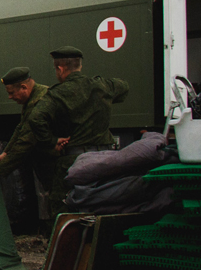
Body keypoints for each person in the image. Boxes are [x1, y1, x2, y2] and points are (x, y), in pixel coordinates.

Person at [28, 46, 129, 219]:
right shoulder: (102, 86)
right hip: (106, 159)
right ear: (79, 66)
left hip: (74, 161)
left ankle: (66, 244)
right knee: (105, 206)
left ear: (60, 69)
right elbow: (124, 87)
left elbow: (35, 118)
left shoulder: (58, 93)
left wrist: (52, 141)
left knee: (62, 208)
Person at [0, 67, 53, 197]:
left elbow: (26, 141)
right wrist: (6, 152)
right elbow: (21, 129)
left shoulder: (40, 103)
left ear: (23, 87)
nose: (10, 97)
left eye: (11, 93)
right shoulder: (33, 99)